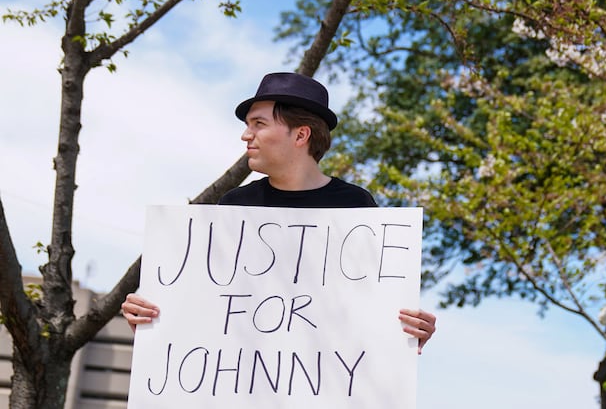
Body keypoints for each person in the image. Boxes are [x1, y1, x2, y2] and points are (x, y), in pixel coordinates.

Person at [122, 72, 437, 353]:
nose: (246, 136)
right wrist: (154, 317)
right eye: (248, 126)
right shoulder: (235, 206)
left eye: (259, 124)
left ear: (301, 135)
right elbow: (208, 304)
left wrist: (410, 330)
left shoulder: (356, 207)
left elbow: (374, 307)